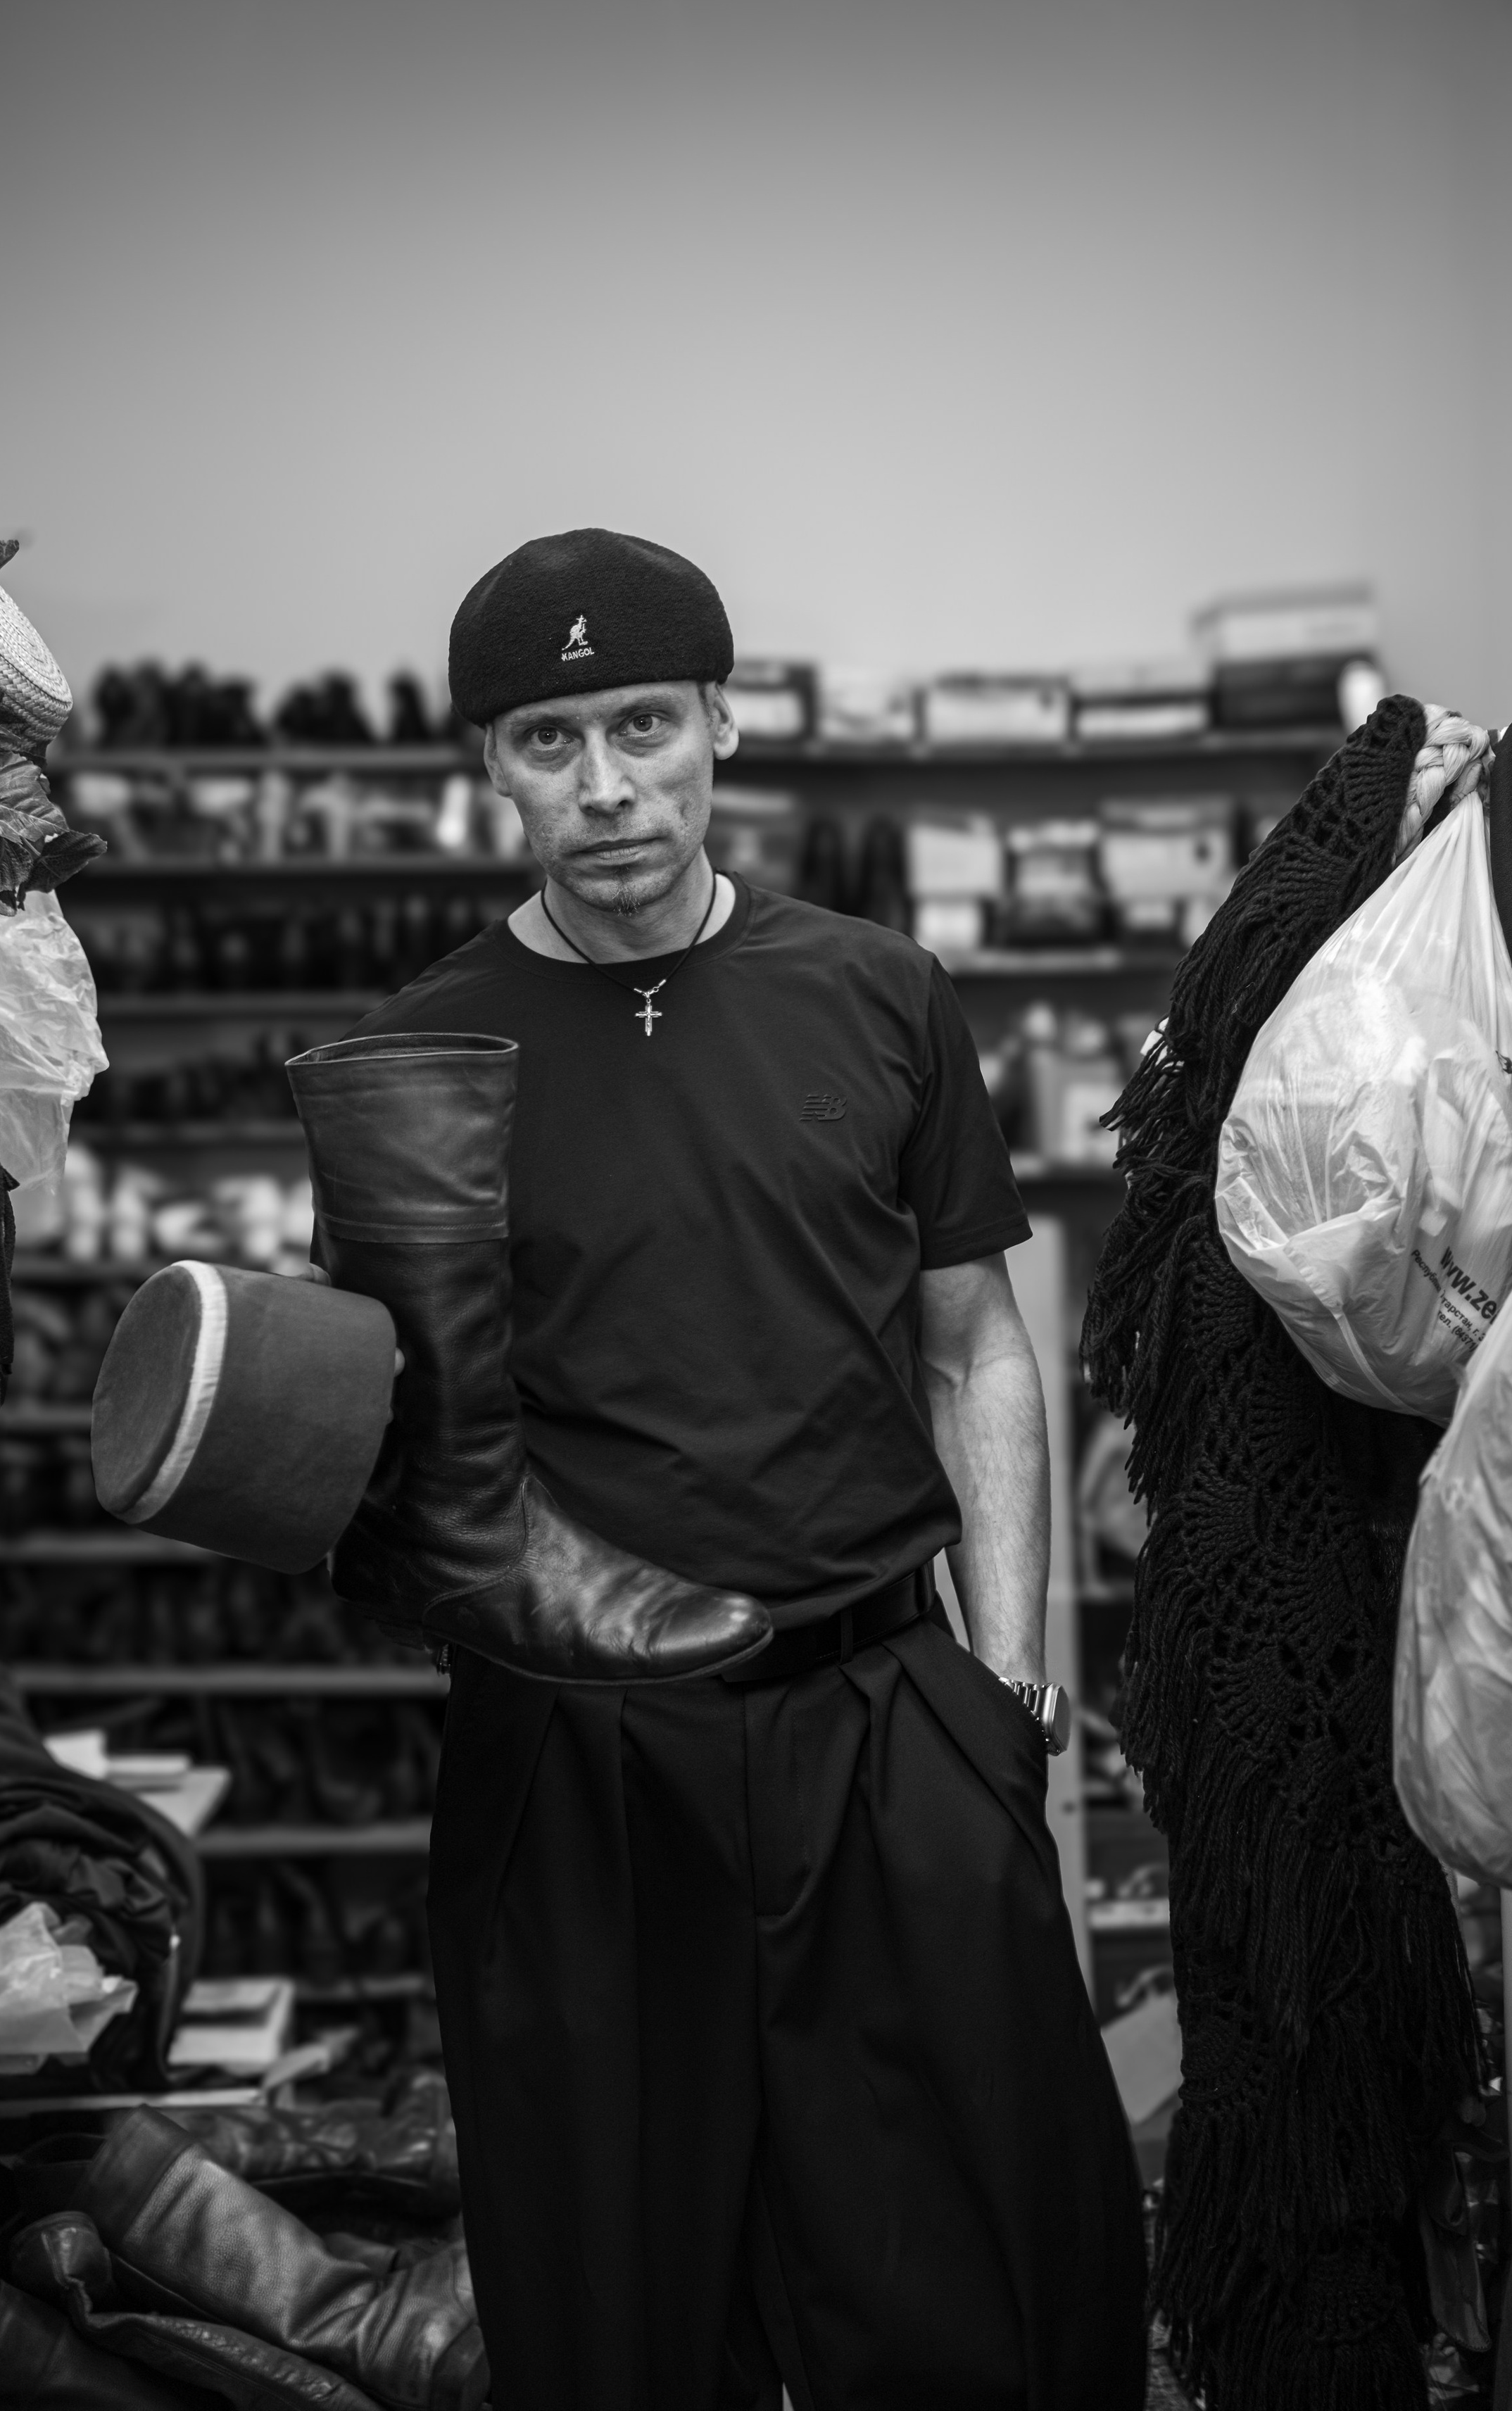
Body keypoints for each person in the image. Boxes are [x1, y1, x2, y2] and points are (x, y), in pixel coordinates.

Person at [355, 527, 1147, 2411]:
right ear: (490, 767)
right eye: (550, 740)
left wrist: (1013, 1687)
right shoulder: (413, 1056)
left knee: (960, 2293)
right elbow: (417, 1448)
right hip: (577, 1757)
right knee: (619, 2316)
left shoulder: (877, 994)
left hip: (879, 1719)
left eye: (647, 723)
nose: (608, 784)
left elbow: (978, 1341)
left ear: (722, 725)